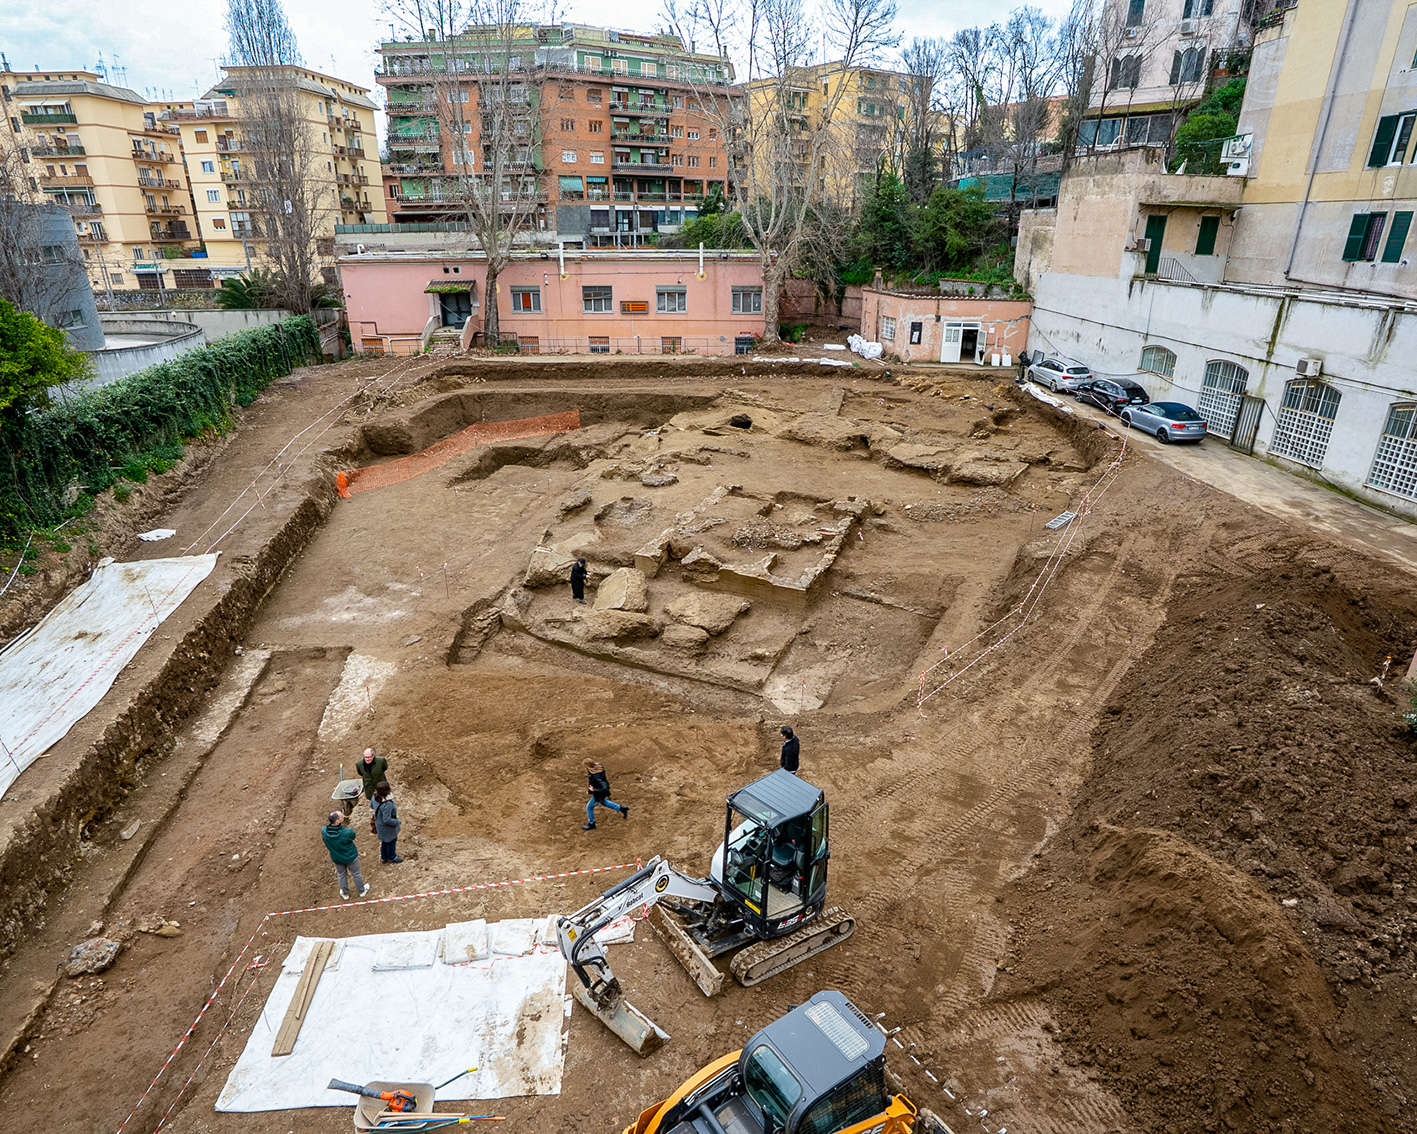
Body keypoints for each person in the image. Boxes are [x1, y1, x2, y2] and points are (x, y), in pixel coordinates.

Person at [322, 811, 370, 900]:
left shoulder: (324, 831)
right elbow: (353, 836)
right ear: (337, 822)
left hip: (337, 858)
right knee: (356, 874)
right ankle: (362, 891)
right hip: (350, 857)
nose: (343, 816)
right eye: (341, 816)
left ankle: (345, 893)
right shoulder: (347, 832)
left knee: (341, 875)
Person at [582, 759, 628, 829]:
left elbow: (604, 787)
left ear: (588, 766)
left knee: (589, 807)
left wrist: (593, 790)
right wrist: (590, 790)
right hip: (601, 792)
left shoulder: (595, 776)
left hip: (600, 793)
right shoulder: (597, 767)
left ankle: (592, 824)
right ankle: (622, 809)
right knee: (604, 802)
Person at [371, 781, 403, 863]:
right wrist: (397, 821)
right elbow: (387, 820)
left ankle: (384, 857)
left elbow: (372, 806)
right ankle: (392, 857)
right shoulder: (387, 804)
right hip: (387, 828)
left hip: (379, 824)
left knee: (385, 842)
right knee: (391, 842)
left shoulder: (374, 796)